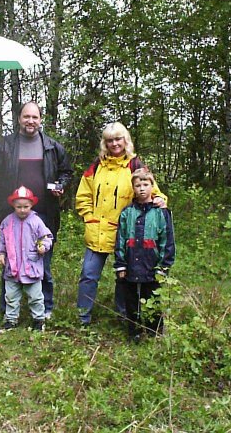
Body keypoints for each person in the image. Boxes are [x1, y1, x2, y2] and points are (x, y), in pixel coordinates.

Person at [75, 122, 167, 326]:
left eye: (118, 139)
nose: (114, 144)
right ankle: (83, 317)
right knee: (88, 275)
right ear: (104, 143)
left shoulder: (136, 165)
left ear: (126, 140)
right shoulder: (96, 166)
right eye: (110, 140)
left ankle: (123, 317)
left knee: (124, 278)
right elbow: (83, 196)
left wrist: (160, 200)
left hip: (128, 233)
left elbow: (152, 190)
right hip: (98, 230)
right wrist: (88, 216)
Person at [0, 102, 73, 319]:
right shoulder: (5, 146)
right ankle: (9, 308)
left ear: (40, 119)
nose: (30, 121)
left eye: (35, 117)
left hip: (44, 215)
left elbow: (66, 172)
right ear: (19, 119)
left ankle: (45, 307)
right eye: (26, 117)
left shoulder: (53, 147)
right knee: (11, 260)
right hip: (11, 214)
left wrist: (61, 185)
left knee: (43, 260)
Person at [114, 169, 175, 342]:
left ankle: (154, 331)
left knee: (153, 297)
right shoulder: (127, 213)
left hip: (152, 263)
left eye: (145, 185)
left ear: (152, 186)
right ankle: (133, 331)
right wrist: (121, 264)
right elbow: (120, 239)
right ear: (133, 188)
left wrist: (164, 266)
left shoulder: (161, 213)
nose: (142, 189)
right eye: (138, 185)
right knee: (131, 299)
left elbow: (167, 240)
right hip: (131, 262)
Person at [0, 186, 53, 332]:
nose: (22, 210)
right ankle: (10, 320)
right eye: (19, 207)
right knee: (11, 296)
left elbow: (46, 237)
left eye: (26, 207)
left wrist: (44, 246)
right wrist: (1, 254)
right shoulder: (7, 222)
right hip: (13, 268)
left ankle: (38, 320)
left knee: (35, 297)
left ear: (31, 205)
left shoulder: (36, 221)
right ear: (13, 205)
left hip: (31, 267)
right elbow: (2, 240)